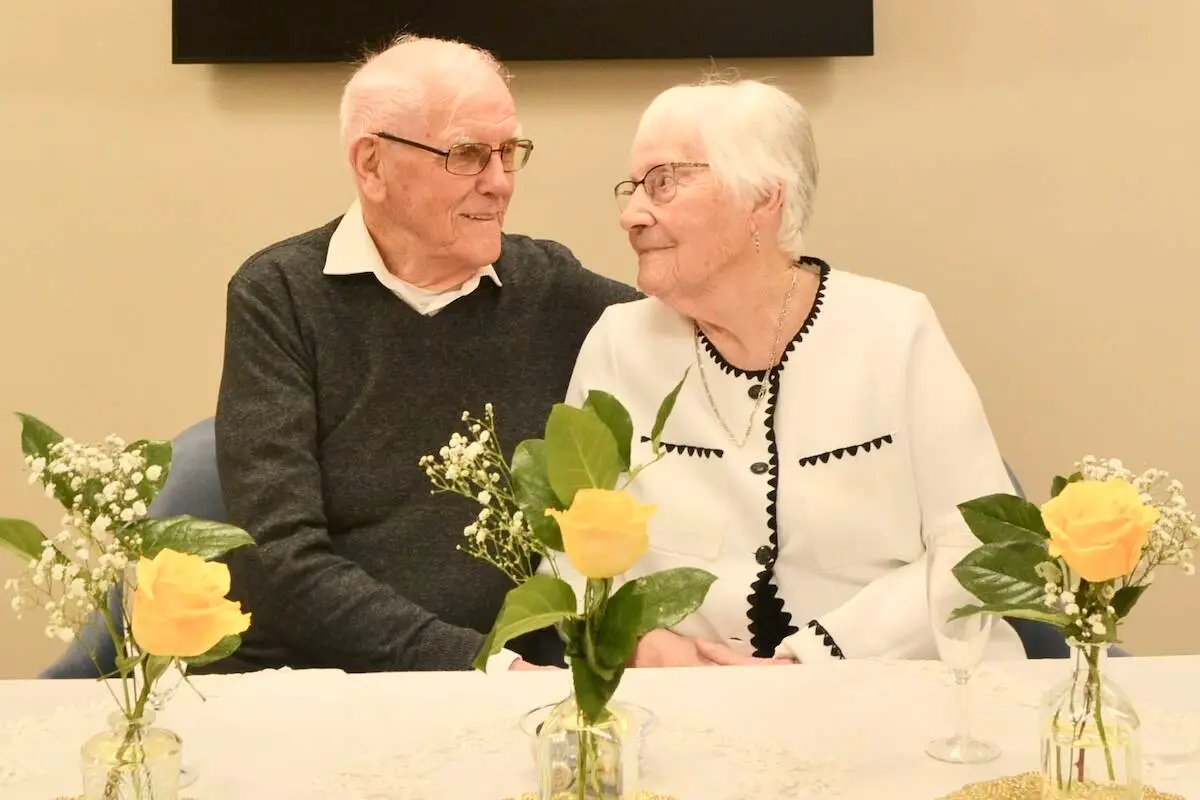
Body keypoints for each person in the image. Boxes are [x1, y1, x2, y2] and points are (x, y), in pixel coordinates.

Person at [204, 35, 638, 674]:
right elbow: (277, 558)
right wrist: (477, 666)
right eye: (468, 154)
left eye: (509, 152)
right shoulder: (279, 294)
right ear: (372, 163)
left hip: (506, 680)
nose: (499, 184)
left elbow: (702, 328)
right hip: (307, 675)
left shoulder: (552, 289)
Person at [559, 76, 1028, 666]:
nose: (631, 216)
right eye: (632, 189)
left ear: (762, 198)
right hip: (687, 697)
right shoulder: (618, 343)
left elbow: (982, 543)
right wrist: (646, 648)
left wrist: (814, 658)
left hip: (892, 687)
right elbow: (566, 549)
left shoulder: (895, 330)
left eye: (663, 183)